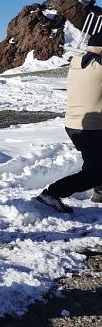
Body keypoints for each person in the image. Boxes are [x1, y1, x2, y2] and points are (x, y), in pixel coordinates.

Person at [36, 31, 102, 213]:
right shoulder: (99, 67)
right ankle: (52, 194)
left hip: (75, 124)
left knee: (94, 162)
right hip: (92, 127)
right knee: (95, 171)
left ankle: (99, 192)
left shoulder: (77, 63)